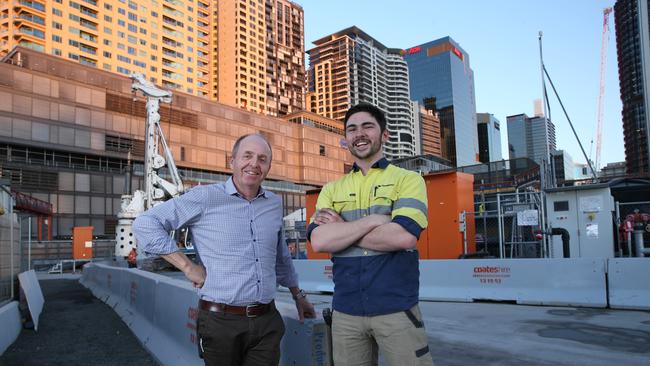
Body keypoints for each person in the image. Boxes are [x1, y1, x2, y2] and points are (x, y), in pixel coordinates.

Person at [133, 133, 316, 366]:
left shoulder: (273, 203)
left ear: (268, 166)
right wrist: (188, 267)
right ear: (232, 161)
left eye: (262, 159)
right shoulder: (205, 197)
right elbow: (145, 224)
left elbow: (280, 256)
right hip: (220, 322)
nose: (254, 164)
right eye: (247, 156)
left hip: (267, 321)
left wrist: (297, 295)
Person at [307, 103, 433, 365]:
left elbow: (403, 237)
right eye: (352, 129)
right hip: (346, 313)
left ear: (384, 134)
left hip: (397, 310)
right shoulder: (331, 189)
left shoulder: (408, 180)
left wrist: (342, 227)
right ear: (346, 139)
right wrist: (375, 220)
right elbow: (319, 241)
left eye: (367, 126)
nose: (359, 134)